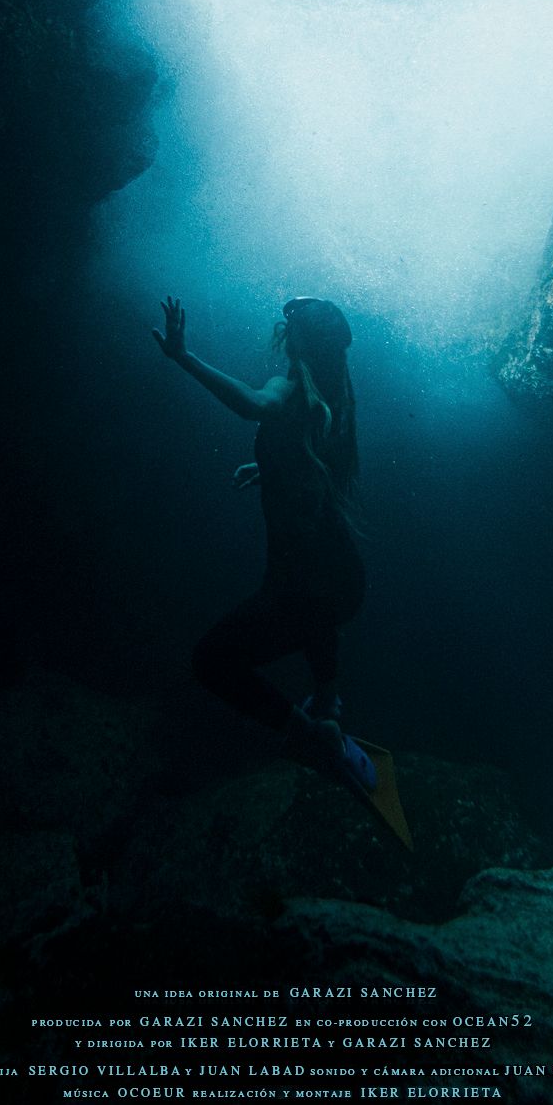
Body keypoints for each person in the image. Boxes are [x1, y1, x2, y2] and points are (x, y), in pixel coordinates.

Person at [153, 294, 375, 792]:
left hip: (303, 579)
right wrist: (269, 468)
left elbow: (257, 405)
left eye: (290, 324)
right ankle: (328, 705)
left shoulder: (292, 388)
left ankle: (312, 735)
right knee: (316, 609)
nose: (282, 328)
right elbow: (306, 456)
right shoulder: (335, 395)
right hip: (339, 577)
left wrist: (182, 356)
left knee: (211, 661)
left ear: (300, 337)